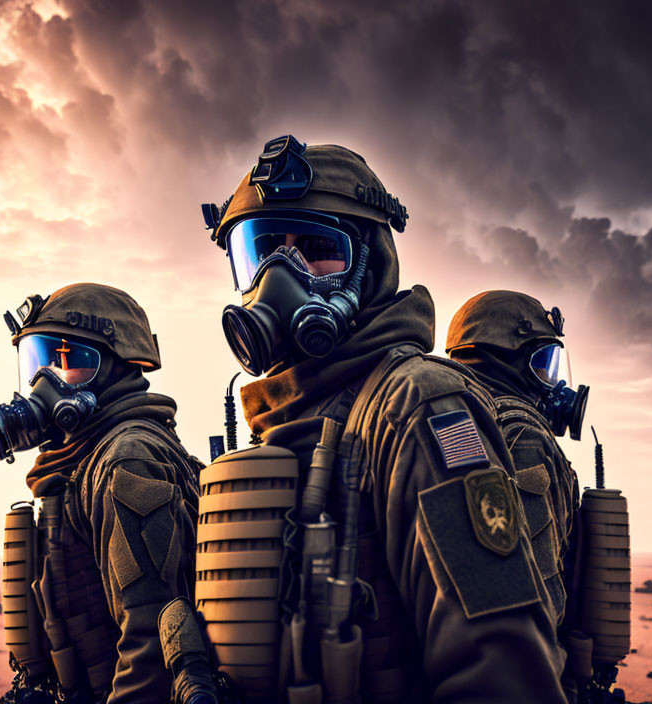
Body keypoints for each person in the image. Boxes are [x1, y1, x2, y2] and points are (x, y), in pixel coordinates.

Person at [198, 135, 567, 703]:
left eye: (319, 248)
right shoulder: (288, 419)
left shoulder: (420, 406)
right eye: (262, 250)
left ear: (373, 264)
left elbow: (500, 672)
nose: (279, 275)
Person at [0, 283, 215, 704]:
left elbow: (151, 646)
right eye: (38, 361)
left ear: (114, 369)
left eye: (67, 360)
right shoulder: (86, 462)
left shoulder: (127, 459)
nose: (43, 380)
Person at [445, 290, 588, 700]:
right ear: (506, 360)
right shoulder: (523, 435)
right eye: (544, 364)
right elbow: (538, 590)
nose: (555, 382)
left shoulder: (452, 422)